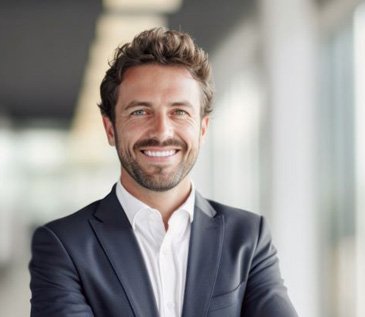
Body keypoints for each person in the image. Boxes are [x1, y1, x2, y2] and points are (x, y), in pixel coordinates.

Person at [29, 27, 298, 317]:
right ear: (110, 129)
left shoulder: (247, 239)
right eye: (140, 112)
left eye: (179, 112)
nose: (161, 131)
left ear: (202, 128)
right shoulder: (64, 245)